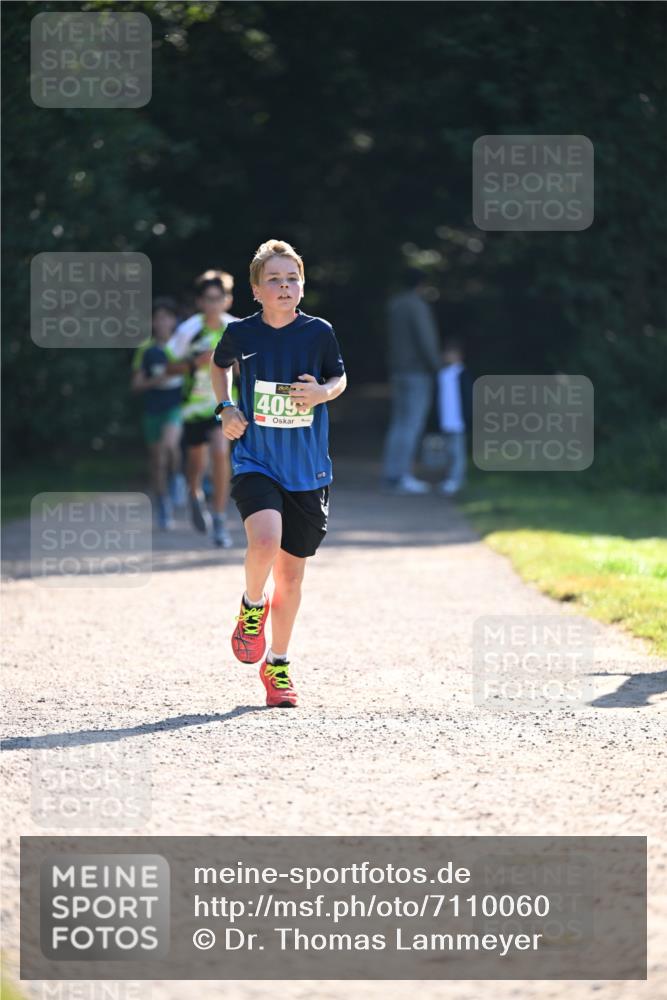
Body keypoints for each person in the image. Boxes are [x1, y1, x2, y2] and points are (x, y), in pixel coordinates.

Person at [210, 239, 346, 708]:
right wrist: (225, 406)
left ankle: (279, 665)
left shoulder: (319, 332)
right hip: (256, 459)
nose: (284, 286)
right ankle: (252, 607)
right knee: (264, 540)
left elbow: (338, 378)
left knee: (290, 577)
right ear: (255, 289)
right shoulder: (242, 334)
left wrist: (322, 394)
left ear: (302, 286)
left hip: (307, 469)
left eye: (292, 278)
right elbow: (218, 365)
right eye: (274, 279)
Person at [166, 271, 236, 548]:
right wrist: (196, 363)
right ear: (200, 301)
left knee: (220, 451)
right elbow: (169, 367)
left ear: (228, 301)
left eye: (219, 299)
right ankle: (194, 493)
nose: (214, 305)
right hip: (193, 408)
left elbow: (251, 367)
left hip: (225, 405)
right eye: (209, 299)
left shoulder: (236, 329)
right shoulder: (188, 330)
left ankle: (219, 519)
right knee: (197, 461)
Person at [381, 268, 441, 495]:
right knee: (412, 424)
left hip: (397, 370)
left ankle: (391, 473)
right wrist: (437, 366)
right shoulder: (417, 306)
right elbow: (426, 341)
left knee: (398, 423)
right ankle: (402, 476)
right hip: (417, 372)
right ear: (422, 284)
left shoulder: (394, 305)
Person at [131, 298, 184, 530]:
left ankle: (177, 481)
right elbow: (136, 385)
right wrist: (156, 380)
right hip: (153, 409)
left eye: (167, 317)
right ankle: (163, 503)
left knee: (169, 446)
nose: (162, 322)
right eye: (158, 318)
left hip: (177, 407)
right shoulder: (146, 350)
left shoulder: (182, 347)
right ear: (152, 322)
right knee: (157, 461)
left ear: (174, 320)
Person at [436, 340, 473, 496]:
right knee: (448, 451)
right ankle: (450, 477)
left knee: (458, 452)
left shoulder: (463, 374)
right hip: (446, 420)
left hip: (459, 421)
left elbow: (468, 398)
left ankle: (457, 479)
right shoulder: (442, 374)